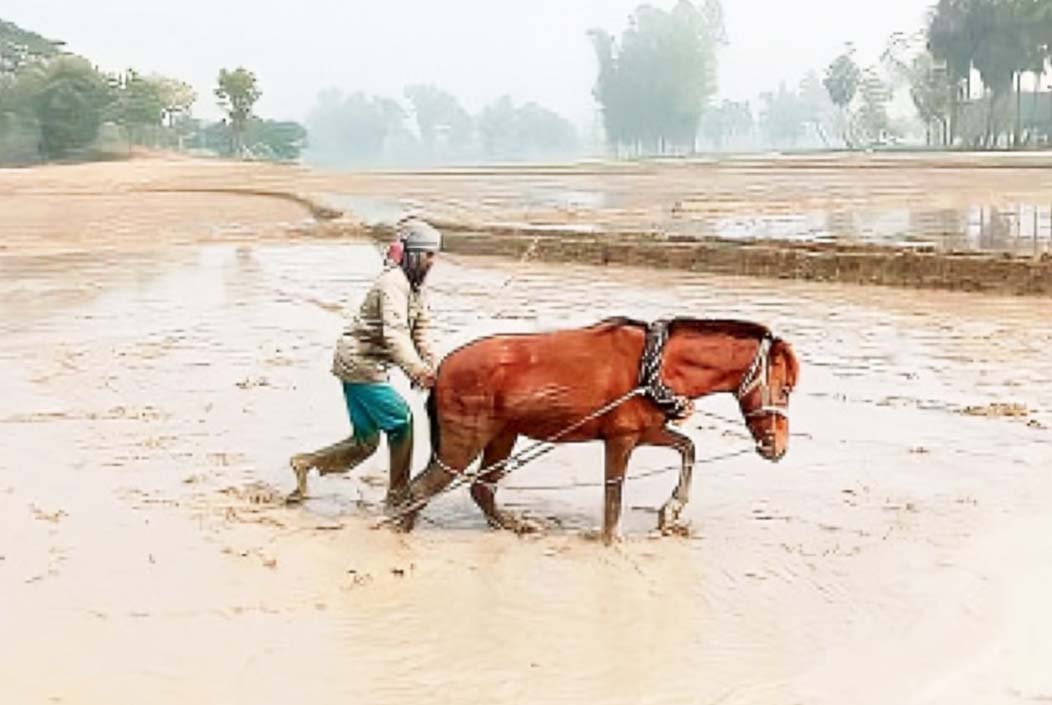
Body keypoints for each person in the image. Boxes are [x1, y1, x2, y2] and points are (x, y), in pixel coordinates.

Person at [286, 217, 442, 506]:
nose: (433, 261)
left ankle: (304, 463)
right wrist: (417, 370)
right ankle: (397, 494)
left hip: (366, 364)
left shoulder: (417, 287)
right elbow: (395, 333)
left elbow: (421, 331)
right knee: (401, 421)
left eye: (436, 255)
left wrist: (434, 365)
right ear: (415, 254)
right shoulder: (392, 283)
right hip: (360, 363)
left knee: (365, 444)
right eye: (429, 255)